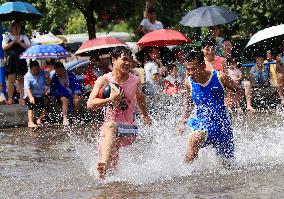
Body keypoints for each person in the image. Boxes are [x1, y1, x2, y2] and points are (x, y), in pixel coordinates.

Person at [87, 46, 152, 179]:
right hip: (107, 133)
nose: (128, 63)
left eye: (130, 60)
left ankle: (103, 163)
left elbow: (140, 98)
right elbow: (90, 104)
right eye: (124, 59)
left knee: (111, 126)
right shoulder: (103, 80)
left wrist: (145, 116)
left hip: (129, 128)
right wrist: (110, 99)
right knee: (110, 174)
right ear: (114, 60)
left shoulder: (135, 81)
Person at [178, 50, 242, 164]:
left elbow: (239, 90)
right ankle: (184, 174)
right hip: (202, 122)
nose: (190, 73)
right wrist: (183, 121)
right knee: (194, 140)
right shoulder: (189, 82)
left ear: (203, 66)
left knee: (227, 165)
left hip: (222, 125)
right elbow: (188, 101)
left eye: (194, 69)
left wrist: (233, 100)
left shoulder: (220, 76)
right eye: (188, 69)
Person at [2, 21, 30, 105]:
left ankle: (21, 98)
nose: (16, 28)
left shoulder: (23, 37)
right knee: (11, 80)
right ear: (12, 28)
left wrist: (19, 42)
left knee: (21, 80)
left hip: (21, 60)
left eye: (18, 27)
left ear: (20, 28)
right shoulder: (7, 36)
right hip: (11, 60)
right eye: (15, 27)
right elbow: (4, 47)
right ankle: (10, 99)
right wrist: (13, 41)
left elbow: (29, 46)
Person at [24, 61, 48, 128]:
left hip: (41, 95)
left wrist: (48, 78)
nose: (36, 71)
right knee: (31, 103)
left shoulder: (42, 73)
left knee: (48, 102)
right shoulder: (27, 76)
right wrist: (31, 97)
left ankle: (39, 120)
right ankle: (30, 122)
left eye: (38, 69)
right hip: (31, 95)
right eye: (34, 70)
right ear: (30, 69)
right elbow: (27, 88)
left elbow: (48, 84)